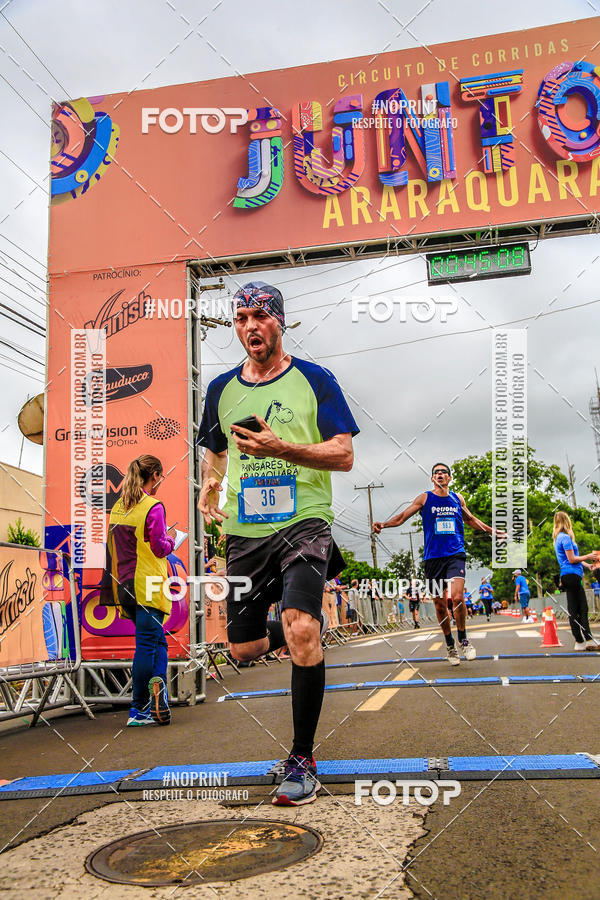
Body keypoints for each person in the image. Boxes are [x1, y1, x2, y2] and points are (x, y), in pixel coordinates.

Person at [196, 281, 358, 806]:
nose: (249, 327)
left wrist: (281, 447)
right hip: (245, 530)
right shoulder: (221, 389)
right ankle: (295, 618)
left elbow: (342, 454)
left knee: (302, 631)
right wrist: (210, 485)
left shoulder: (315, 380)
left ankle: (302, 758)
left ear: (279, 322)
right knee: (243, 648)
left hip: (304, 521)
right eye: (240, 318)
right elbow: (216, 452)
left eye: (258, 317)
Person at [374, 462, 504, 665]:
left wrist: (492, 531)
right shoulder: (425, 498)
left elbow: (471, 520)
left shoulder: (457, 498)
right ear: (432, 478)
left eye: (444, 472)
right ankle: (450, 644)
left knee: (457, 596)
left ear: (450, 478)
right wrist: (384, 524)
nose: (440, 475)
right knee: (440, 604)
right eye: (436, 473)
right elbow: (402, 517)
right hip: (433, 558)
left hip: (455, 554)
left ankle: (463, 639)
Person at [100, 455, 175, 726]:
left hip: (122, 586)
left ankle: (158, 689)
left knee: (157, 642)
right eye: (161, 477)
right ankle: (139, 709)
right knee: (146, 646)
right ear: (154, 475)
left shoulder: (120, 506)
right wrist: (172, 541)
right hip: (149, 586)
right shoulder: (153, 506)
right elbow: (159, 547)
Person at [553, 511, 599, 651]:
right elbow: (572, 559)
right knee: (581, 609)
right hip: (572, 576)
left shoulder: (558, 539)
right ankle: (586, 640)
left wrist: (587, 565)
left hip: (568, 575)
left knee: (574, 609)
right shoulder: (566, 538)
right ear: (567, 522)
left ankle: (580, 641)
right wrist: (588, 556)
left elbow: (572, 560)